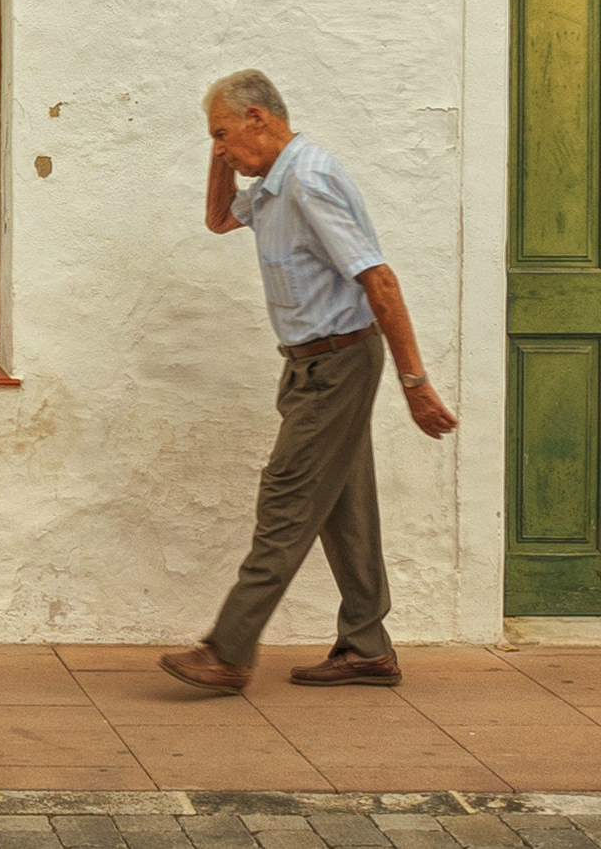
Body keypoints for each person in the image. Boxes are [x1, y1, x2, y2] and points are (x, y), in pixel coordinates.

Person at [158, 69, 458, 694]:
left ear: (259, 119)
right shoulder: (270, 185)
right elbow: (217, 219)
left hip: (339, 364)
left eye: (224, 132)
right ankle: (367, 648)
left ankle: (228, 652)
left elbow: (380, 280)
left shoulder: (309, 180)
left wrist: (415, 382)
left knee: (287, 500)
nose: (219, 147)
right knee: (344, 506)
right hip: (311, 364)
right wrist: (220, 152)